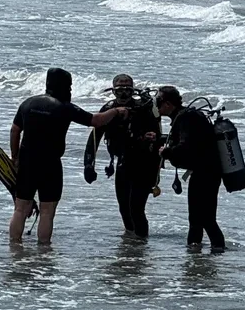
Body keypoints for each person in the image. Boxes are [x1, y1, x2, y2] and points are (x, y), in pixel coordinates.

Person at [8, 68, 126, 245]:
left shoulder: (28, 103)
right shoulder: (64, 107)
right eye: (69, 86)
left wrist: (15, 157)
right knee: (47, 211)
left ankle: (14, 246)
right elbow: (96, 120)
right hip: (50, 164)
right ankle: (43, 250)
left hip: (26, 162)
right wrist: (116, 111)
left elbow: (15, 130)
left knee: (20, 208)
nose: (70, 90)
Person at [84, 73, 163, 240]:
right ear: (113, 91)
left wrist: (157, 171)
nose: (124, 94)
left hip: (144, 163)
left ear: (133, 91)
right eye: (120, 90)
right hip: (123, 163)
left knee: (136, 208)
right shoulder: (108, 110)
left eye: (128, 90)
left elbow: (157, 138)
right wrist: (89, 165)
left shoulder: (143, 109)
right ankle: (130, 241)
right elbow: (94, 138)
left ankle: (141, 243)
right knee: (124, 207)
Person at [157, 85, 225, 251]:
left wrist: (166, 152)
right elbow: (188, 140)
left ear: (167, 104)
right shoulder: (186, 116)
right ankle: (197, 259)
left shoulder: (186, 118)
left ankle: (215, 253)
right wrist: (159, 139)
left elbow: (186, 146)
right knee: (198, 219)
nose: (155, 106)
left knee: (204, 219)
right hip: (206, 171)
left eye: (157, 102)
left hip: (206, 173)